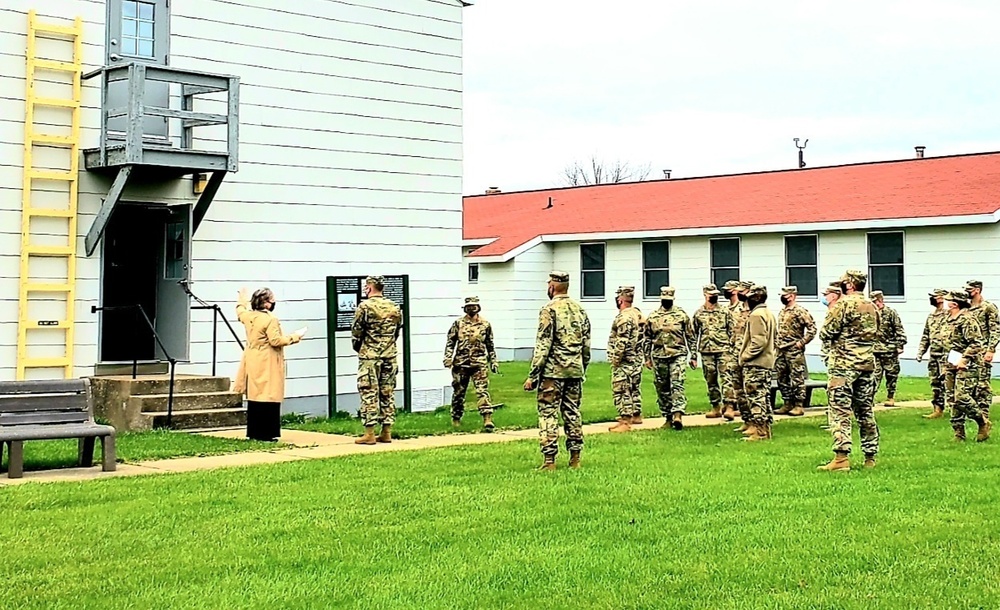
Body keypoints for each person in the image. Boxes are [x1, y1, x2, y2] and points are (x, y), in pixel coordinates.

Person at [524, 271, 591, 470]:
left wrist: (532, 375)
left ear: (552, 286)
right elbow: (586, 346)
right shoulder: (579, 310)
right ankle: (575, 458)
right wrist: (581, 368)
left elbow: (543, 345)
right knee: (572, 413)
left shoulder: (549, 310)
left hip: (552, 373)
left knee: (548, 414)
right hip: (574, 371)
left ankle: (549, 460)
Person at [818, 270, 880, 471]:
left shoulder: (844, 304)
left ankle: (841, 458)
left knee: (840, 410)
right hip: (867, 364)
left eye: (844, 282)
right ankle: (870, 456)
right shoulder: (872, 306)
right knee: (865, 410)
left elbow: (827, 331)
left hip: (844, 365)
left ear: (851, 284)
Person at [234, 287, 305, 442]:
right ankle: (267, 433)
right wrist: (295, 336)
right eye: (272, 300)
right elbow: (276, 341)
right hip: (268, 360)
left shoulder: (249, 316)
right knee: (269, 395)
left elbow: (240, 311)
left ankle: (254, 432)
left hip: (252, 358)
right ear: (266, 303)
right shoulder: (270, 320)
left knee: (254, 396)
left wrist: (242, 298)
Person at [351, 276, 403, 445]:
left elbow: (357, 331)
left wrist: (360, 347)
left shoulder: (364, 307)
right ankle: (387, 431)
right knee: (387, 392)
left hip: (370, 356)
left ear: (369, 288)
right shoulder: (394, 306)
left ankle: (369, 433)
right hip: (390, 354)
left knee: (369, 391)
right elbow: (397, 331)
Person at [444, 296, 499, 432]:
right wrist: (448, 357)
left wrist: (493, 361)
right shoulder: (458, 323)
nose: (471, 308)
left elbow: (490, 344)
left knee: (482, 391)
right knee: (459, 392)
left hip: (479, 363)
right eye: (469, 306)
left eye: (474, 306)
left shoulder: (485, 324)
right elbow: (451, 341)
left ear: (478, 307)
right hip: (461, 364)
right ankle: (456, 418)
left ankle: (487, 418)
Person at [644, 286, 696, 430]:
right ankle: (667, 416)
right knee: (662, 387)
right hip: (659, 355)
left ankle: (677, 414)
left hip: (677, 354)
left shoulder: (681, 315)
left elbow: (690, 336)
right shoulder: (653, 316)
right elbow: (647, 338)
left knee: (677, 384)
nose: (667, 302)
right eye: (665, 300)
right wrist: (647, 357)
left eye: (669, 300)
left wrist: (693, 355)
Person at [943, 290, 991, 442]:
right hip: (951, 362)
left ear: (955, 303)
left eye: (948, 300)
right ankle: (959, 433)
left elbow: (977, 343)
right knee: (952, 399)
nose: (945, 302)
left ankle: (982, 421)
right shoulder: (948, 318)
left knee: (961, 396)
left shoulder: (967, 319)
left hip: (968, 364)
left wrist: (964, 359)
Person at [739, 284, 777, 441]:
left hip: (756, 363)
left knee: (755, 396)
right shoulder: (768, 313)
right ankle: (765, 429)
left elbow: (758, 341)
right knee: (764, 396)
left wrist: (744, 357)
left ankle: (760, 431)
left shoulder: (756, 315)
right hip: (767, 362)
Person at [774, 286, 817, 417]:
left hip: (794, 349)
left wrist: (802, 342)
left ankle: (798, 404)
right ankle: (787, 402)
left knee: (797, 377)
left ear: (792, 296)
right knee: (781, 377)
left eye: (785, 295)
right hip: (781, 349)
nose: (782, 297)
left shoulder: (800, 311)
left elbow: (812, 328)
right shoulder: (783, 311)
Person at [608, 286, 645, 433]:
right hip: (636, 358)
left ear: (620, 299)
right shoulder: (637, 314)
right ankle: (636, 413)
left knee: (622, 389)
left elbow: (622, 341)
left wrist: (615, 359)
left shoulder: (624, 317)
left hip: (625, 360)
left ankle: (625, 420)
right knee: (634, 387)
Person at [691, 284, 731, 419]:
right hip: (706, 351)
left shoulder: (725, 311)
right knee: (711, 380)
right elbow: (694, 335)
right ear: (705, 294)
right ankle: (716, 406)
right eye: (711, 294)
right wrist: (693, 355)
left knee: (727, 378)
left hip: (724, 349)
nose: (714, 296)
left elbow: (732, 331)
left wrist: (733, 349)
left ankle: (729, 406)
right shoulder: (698, 313)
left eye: (715, 294)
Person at [966, 280, 999, 418]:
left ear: (977, 290)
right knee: (969, 382)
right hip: (969, 351)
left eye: (969, 289)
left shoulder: (988, 307)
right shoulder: (966, 308)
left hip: (982, 350)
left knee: (982, 383)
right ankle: (973, 412)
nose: (966, 292)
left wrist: (991, 349)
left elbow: (995, 330)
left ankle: (984, 413)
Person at [870, 290, 907, 407]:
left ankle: (890, 397)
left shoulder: (890, 313)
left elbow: (898, 329)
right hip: (875, 350)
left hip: (889, 349)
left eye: (875, 301)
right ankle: (870, 398)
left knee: (891, 375)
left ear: (880, 300)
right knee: (874, 375)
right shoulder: (870, 313)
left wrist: (900, 345)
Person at [916, 289, 949, 419]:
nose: (932, 300)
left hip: (946, 354)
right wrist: (921, 352)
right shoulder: (931, 316)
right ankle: (937, 409)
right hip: (934, 354)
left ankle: (957, 411)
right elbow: (926, 335)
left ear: (941, 298)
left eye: (934, 297)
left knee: (948, 383)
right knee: (935, 383)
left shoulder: (949, 315)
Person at [719, 280, 744, 422]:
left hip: (740, 349)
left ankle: (733, 406)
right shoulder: (726, 309)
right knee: (728, 376)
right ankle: (729, 405)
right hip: (728, 348)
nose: (726, 292)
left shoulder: (741, 308)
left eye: (728, 290)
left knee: (735, 378)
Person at [819, 282, 843, 430]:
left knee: (836, 390)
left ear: (833, 296)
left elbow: (826, 333)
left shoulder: (837, 311)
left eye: (826, 295)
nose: (824, 298)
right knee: (833, 389)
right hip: (831, 355)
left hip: (838, 357)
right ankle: (833, 422)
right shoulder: (831, 311)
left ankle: (837, 423)